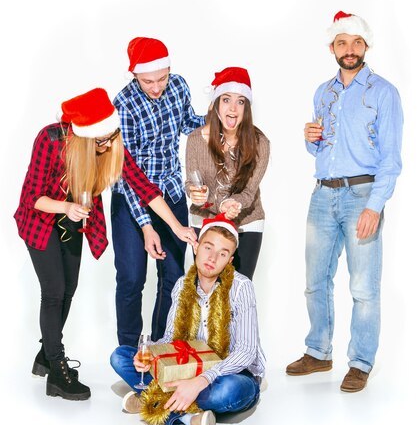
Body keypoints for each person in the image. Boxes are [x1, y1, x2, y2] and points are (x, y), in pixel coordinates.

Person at [14, 88, 196, 401]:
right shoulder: (51, 140)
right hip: (42, 221)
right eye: (101, 140)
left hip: (72, 224)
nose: (108, 145)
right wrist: (66, 207)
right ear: (84, 137)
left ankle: (46, 354)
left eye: (111, 138)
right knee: (54, 291)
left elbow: (145, 188)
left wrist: (177, 227)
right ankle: (57, 371)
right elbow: (32, 198)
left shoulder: (107, 146)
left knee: (68, 290)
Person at [286, 11, 403, 392]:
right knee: (314, 281)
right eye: (341, 42)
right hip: (323, 193)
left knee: (364, 287)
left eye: (356, 42)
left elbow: (391, 159)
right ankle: (318, 351)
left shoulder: (384, 93)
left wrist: (375, 205)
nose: (349, 50)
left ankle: (361, 361)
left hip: (362, 195)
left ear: (366, 46)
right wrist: (309, 137)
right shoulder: (324, 92)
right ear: (332, 47)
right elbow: (320, 147)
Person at [110, 213, 266, 425]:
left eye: (222, 254)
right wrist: (151, 353)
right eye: (208, 248)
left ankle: (152, 399)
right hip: (187, 369)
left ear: (229, 260)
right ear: (196, 247)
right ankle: (188, 417)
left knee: (227, 392)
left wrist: (201, 380)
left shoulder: (241, 287)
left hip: (229, 374)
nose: (212, 258)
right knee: (121, 356)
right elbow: (171, 339)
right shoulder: (182, 284)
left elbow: (246, 352)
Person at [111, 37, 206, 344]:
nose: (156, 87)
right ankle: (127, 353)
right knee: (131, 279)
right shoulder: (123, 103)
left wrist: (218, 119)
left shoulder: (178, 86)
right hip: (131, 200)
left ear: (170, 70)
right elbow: (129, 174)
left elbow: (187, 122)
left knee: (174, 277)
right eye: (147, 81)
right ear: (135, 76)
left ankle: (159, 347)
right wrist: (146, 226)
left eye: (161, 78)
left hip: (171, 192)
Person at [185, 67, 269, 280]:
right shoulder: (195, 140)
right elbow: (191, 183)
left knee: (239, 288)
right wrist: (196, 193)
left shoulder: (260, 143)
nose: (233, 108)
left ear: (247, 108)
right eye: (226, 100)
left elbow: (249, 191)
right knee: (204, 290)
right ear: (215, 104)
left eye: (240, 101)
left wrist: (234, 203)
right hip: (205, 220)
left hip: (246, 221)